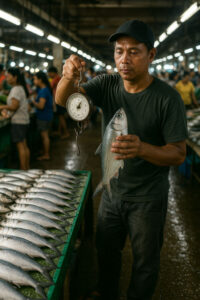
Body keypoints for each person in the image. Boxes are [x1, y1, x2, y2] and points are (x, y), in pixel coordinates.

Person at [55, 19, 188, 300]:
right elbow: (64, 101)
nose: (124, 59)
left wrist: (143, 149)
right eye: (119, 51)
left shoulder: (168, 98)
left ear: (151, 55)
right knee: (106, 252)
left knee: (144, 264)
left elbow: (178, 153)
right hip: (113, 195)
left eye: (133, 51)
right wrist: (67, 77)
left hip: (148, 199)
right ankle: (106, 292)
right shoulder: (108, 84)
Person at [0, 67, 30, 170]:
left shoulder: (16, 89)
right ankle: (26, 168)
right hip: (23, 120)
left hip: (18, 121)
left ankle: (23, 170)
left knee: (20, 146)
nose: (6, 78)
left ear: (15, 77)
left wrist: (2, 107)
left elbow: (14, 106)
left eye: (8, 76)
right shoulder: (19, 88)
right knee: (24, 145)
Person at [32, 71, 53, 160]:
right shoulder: (45, 89)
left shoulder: (43, 91)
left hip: (43, 116)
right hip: (47, 115)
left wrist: (33, 102)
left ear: (40, 80)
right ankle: (45, 151)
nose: (34, 81)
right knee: (45, 136)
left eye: (35, 79)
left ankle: (46, 154)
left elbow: (41, 106)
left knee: (45, 136)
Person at [48, 66, 70, 139]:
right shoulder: (59, 78)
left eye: (49, 73)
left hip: (59, 100)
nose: (49, 75)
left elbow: (50, 87)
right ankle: (59, 131)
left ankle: (66, 133)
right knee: (61, 117)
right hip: (61, 99)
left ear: (52, 73)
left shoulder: (55, 79)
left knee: (61, 117)